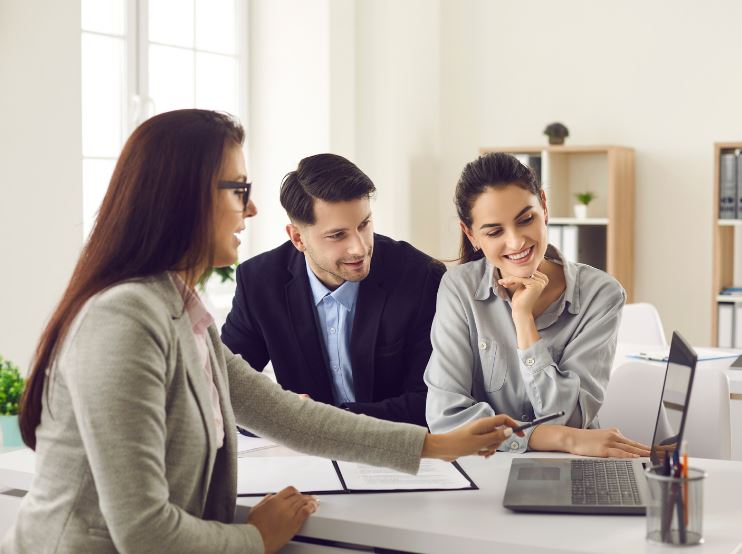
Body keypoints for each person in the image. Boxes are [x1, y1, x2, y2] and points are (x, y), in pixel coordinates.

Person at [2, 110, 521, 554]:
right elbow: (144, 533)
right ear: (182, 199)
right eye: (239, 190)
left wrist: (434, 446)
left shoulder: (180, 309)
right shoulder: (124, 318)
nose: (250, 208)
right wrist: (255, 536)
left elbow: (281, 413)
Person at [424, 152, 650, 458]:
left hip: (573, 465)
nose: (516, 242)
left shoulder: (601, 294)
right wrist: (559, 437)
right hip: (487, 469)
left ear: (544, 205)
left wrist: (523, 320)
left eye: (526, 219)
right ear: (471, 234)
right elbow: (446, 420)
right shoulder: (459, 289)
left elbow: (571, 418)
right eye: (494, 232)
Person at [221, 153, 444, 426]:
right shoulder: (259, 282)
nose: (360, 247)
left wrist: (315, 420)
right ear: (298, 238)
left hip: (397, 452)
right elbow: (224, 392)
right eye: (337, 235)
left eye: (364, 225)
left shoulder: (419, 276)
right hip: (305, 457)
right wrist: (284, 416)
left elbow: (431, 401)